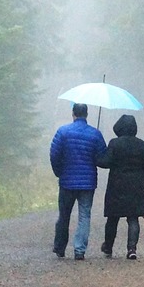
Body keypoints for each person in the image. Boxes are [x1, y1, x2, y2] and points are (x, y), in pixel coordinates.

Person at [50, 102, 107, 260]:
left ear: (73, 114)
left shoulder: (63, 132)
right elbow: (103, 158)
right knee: (84, 215)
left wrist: (58, 172)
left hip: (67, 181)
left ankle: (60, 247)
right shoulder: (95, 134)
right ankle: (79, 250)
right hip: (87, 183)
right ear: (86, 114)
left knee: (64, 215)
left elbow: (54, 154)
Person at [96, 113, 144, 260]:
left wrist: (96, 157)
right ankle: (132, 249)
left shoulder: (115, 143)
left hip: (117, 186)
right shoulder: (141, 145)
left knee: (112, 218)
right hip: (136, 187)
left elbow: (106, 162)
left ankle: (108, 246)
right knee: (133, 218)